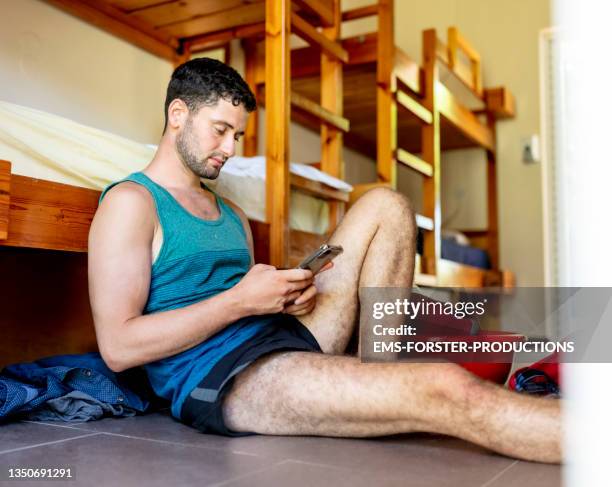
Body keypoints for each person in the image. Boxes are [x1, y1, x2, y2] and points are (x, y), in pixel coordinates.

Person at [88, 58, 561, 464]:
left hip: (282, 336)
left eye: (238, 135)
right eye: (220, 130)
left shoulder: (231, 213)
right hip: (228, 374)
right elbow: (118, 346)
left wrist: (284, 298)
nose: (230, 149)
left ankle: (377, 371)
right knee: (446, 388)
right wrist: (240, 302)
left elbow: (249, 301)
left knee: (387, 204)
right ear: (177, 115)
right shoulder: (133, 202)